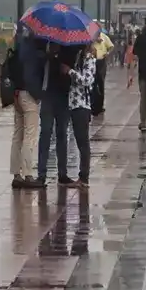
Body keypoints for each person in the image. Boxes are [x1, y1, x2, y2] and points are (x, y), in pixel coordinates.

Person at [27, 42, 77, 189]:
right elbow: (35, 71)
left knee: (62, 133)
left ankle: (62, 174)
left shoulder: (69, 51)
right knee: (46, 133)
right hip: (48, 97)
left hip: (63, 97)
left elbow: (71, 70)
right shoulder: (43, 51)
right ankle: (41, 175)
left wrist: (61, 60)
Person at [8, 25, 42, 189]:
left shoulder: (19, 44)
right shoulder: (36, 49)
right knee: (30, 135)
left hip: (17, 93)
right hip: (30, 94)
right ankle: (28, 174)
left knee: (17, 134)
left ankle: (16, 174)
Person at [67, 43, 98, 189]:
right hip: (74, 104)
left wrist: (70, 72)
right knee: (80, 141)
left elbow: (87, 80)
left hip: (82, 105)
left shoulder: (89, 59)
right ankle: (82, 176)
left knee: (83, 142)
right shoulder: (79, 57)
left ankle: (84, 177)